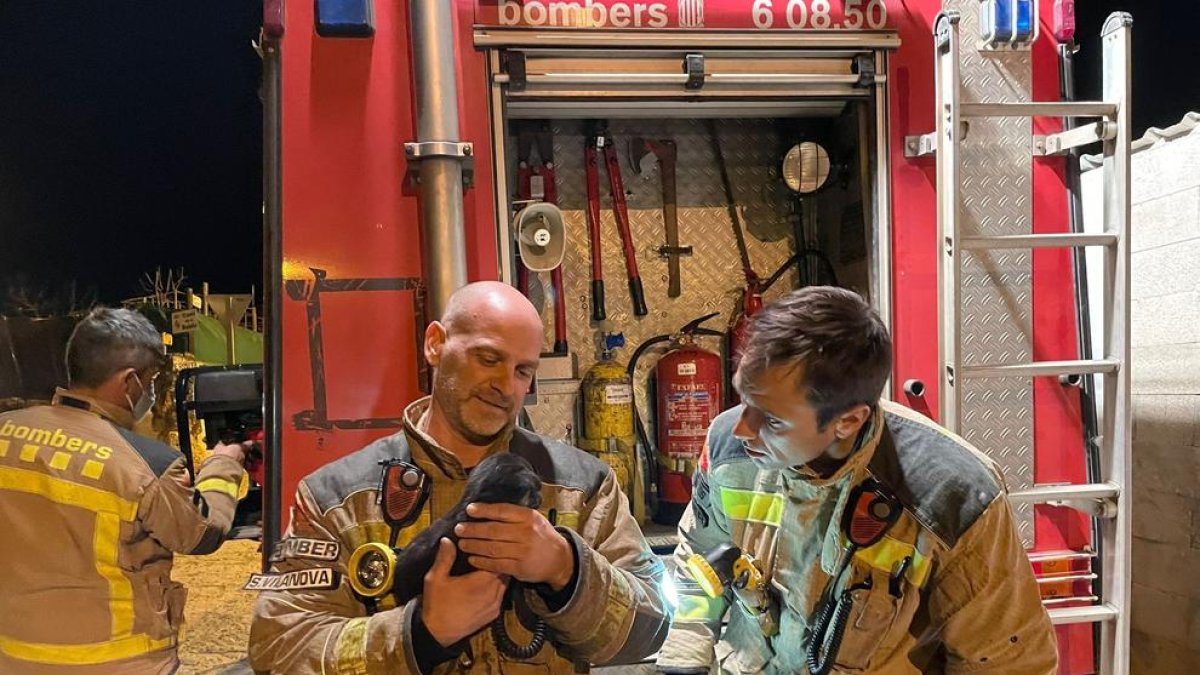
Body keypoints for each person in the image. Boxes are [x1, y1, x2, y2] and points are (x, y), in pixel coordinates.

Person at [249, 281, 669, 674]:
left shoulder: (583, 487)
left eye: (523, 371)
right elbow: (279, 647)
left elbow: (653, 629)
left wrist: (566, 568)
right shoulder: (335, 498)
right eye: (488, 359)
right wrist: (417, 633)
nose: (505, 385)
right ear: (435, 344)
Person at [655, 287, 1058, 674]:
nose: (742, 428)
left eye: (772, 420)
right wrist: (685, 655)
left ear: (848, 421)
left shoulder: (952, 496)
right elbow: (701, 558)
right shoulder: (729, 447)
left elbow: (1006, 661)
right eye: (744, 399)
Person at [0, 307, 251, 674]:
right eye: (150, 381)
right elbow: (202, 533)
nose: (150, 391)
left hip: (14, 656)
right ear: (130, 382)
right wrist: (224, 463)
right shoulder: (145, 462)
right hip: (119, 663)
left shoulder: (6, 429)